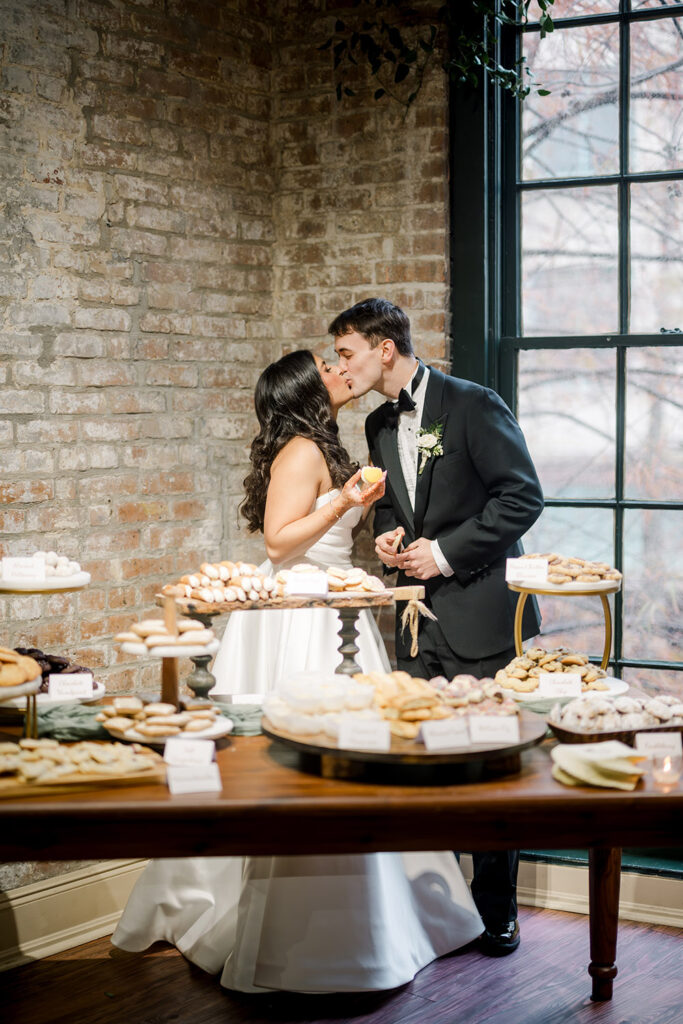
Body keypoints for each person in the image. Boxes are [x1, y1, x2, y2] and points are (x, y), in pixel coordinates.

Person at [112, 349, 484, 993]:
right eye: (328, 367)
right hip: (299, 611)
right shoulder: (302, 451)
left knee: (354, 753)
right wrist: (345, 500)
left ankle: (385, 919)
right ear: (308, 389)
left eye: (340, 361)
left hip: (334, 600)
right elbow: (280, 543)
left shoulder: (325, 443)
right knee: (302, 758)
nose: (342, 371)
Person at [331, 298, 544, 957]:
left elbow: (521, 496)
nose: (340, 367)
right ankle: (442, 913)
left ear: (384, 349)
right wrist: (392, 534)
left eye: (346, 353)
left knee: (487, 768)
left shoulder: (473, 405)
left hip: (483, 619)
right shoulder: (375, 424)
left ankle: (495, 913)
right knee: (422, 764)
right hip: (417, 625)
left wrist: (446, 553)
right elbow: (398, 505)